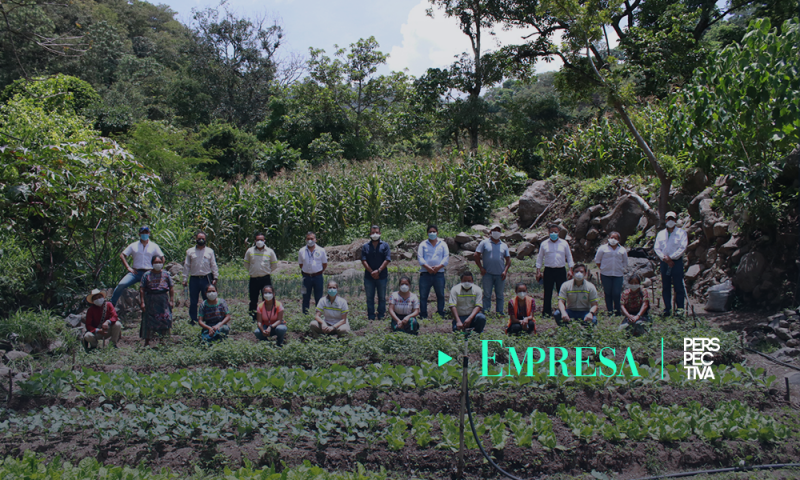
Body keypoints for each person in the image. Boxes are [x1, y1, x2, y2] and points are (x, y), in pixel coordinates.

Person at [110, 226, 164, 306]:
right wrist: (128, 267)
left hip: (149, 273)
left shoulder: (154, 246)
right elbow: (122, 255)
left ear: (149, 234)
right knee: (121, 284)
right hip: (136, 272)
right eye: (142, 233)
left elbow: (162, 257)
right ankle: (112, 304)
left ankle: (154, 309)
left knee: (151, 291)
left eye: (146, 233)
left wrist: (158, 269)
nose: (144, 234)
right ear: (139, 234)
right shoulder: (133, 245)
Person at [536, 224, 575, 317]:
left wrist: (571, 269)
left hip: (560, 270)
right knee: (547, 292)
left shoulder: (564, 243)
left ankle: (562, 311)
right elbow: (540, 258)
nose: (553, 234)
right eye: (551, 232)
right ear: (548, 233)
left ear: (559, 232)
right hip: (548, 270)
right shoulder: (544, 244)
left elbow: (569, 257)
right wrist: (538, 271)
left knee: (561, 292)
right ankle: (546, 312)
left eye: (555, 232)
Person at [654, 211, 688, 316]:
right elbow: (657, 247)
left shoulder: (682, 233)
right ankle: (667, 309)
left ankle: (680, 309)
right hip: (664, 262)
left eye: (672, 219)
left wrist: (672, 258)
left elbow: (682, 248)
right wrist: (665, 258)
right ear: (665, 220)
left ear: (675, 220)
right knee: (666, 286)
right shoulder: (660, 234)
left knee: (678, 286)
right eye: (668, 219)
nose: (670, 221)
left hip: (676, 262)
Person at [474, 224, 511, 316]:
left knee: (500, 295)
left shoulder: (504, 245)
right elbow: (476, 255)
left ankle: (500, 312)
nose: (496, 232)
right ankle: (486, 312)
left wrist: (505, 271)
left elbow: (508, 260)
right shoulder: (484, 243)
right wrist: (481, 268)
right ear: (490, 232)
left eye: (498, 230)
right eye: (494, 230)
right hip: (488, 274)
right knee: (487, 294)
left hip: (500, 274)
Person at [183, 231, 219, 325]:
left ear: (206, 239)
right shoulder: (190, 251)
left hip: (206, 278)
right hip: (194, 278)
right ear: (196, 239)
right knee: (193, 301)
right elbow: (187, 266)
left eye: (203, 238)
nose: (201, 240)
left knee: (207, 299)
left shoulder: (209, 251)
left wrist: (215, 277)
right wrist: (184, 279)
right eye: (199, 238)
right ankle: (194, 319)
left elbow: (213, 265)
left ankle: (208, 318)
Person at [138, 255, 174, 347]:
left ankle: (162, 341)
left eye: (159, 262)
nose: (158, 264)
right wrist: (142, 302)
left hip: (163, 300)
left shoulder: (166, 274)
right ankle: (147, 342)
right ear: (152, 263)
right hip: (150, 300)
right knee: (148, 320)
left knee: (164, 319)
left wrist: (172, 300)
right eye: (155, 262)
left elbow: (171, 287)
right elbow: (142, 289)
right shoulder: (146, 275)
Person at [244, 233, 278, 321]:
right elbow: (246, 264)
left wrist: (267, 271)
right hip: (254, 279)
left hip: (265, 279)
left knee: (267, 299)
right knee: (253, 299)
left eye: (261, 240)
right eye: (258, 240)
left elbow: (274, 265)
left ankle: (267, 317)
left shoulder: (269, 251)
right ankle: (253, 317)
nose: (259, 241)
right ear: (255, 241)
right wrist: (253, 271)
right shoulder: (250, 251)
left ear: (264, 241)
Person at [417, 225, 449, 319]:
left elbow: (446, 258)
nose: (432, 233)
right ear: (427, 233)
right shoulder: (423, 244)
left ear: (437, 233)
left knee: (440, 295)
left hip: (439, 273)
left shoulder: (443, 244)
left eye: (434, 231)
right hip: (425, 273)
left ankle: (440, 313)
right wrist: (428, 267)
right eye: (430, 232)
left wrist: (438, 267)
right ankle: (423, 314)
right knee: (423, 296)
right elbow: (420, 257)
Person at [594, 231, 629, 316]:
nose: (613, 239)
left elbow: (625, 262)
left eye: (615, 238)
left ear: (619, 240)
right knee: (608, 293)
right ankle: (610, 311)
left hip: (618, 275)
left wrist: (620, 268)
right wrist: (603, 268)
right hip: (606, 274)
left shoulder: (622, 250)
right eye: (611, 237)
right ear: (608, 238)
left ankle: (617, 311)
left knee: (617, 293)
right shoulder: (603, 248)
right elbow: (597, 260)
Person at [361, 225, 391, 321]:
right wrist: (371, 272)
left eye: (377, 232)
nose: (375, 234)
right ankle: (371, 315)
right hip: (369, 277)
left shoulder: (385, 245)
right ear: (370, 234)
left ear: (380, 233)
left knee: (382, 297)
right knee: (370, 298)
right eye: (373, 232)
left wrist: (378, 271)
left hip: (382, 276)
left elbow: (387, 259)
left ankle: (381, 315)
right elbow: (363, 260)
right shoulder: (365, 246)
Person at [299, 232, 328, 315]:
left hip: (318, 277)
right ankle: (305, 316)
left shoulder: (321, 250)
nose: (310, 240)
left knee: (318, 297)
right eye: (308, 239)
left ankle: (318, 316)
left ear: (315, 239)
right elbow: (301, 264)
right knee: (305, 297)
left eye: (312, 239)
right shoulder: (301, 251)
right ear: (305, 240)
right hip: (306, 277)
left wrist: (318, 271)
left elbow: (324, 264)